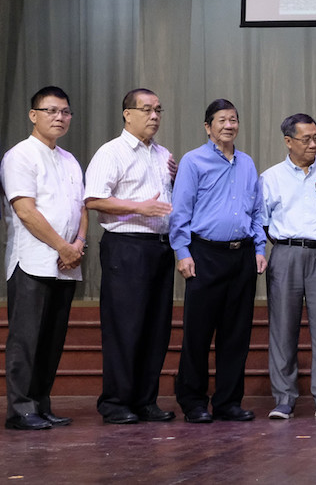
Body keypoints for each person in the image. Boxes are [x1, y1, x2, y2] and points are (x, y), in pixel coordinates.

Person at [169, 99, 267, 423]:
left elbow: (257, 212)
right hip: (204, 254)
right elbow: (180, 211)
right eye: (222, 120)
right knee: (198, 333)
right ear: (208, 127)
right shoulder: (193, 161)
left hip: (241, 256)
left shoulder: (248, 164)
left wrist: (259, 248)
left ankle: (228, 402)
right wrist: (182, 252)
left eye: (234, 119)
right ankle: (193, 401)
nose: (229, 125)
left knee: (236, 334)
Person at [84, 88, 177, 424]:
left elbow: (164, 200)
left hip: (160, 246)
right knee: (126, 326)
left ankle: (145, 400)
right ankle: (115, 402)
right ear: (127, 113)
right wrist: (140, 207)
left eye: (158, 110)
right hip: (126, 247)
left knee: (156, 327)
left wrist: (177, 178)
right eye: (147, 109)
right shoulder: (112, 152)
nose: (154, 116)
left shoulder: (162, 153)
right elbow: (94, 199)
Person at [1, 86, 86, 430]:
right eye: (51, 111)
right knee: (26, 339)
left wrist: (78, 243)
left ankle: (41, 403)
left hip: (67, 264)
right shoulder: (20, 155)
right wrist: (62, 247)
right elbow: (25, 211)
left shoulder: (69, 159)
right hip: (32, 262)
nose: (59, 117)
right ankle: (20, 409)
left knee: (52, 340)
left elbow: (81, 207)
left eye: (65, 111)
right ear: (33, 115)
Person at [260, 113, 316, 421]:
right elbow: (263, 222)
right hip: (286, 253)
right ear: (288, 141)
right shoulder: (271, 177)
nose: (312, 144)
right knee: (283, 328)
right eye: (306, 139)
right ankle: (284, 398)